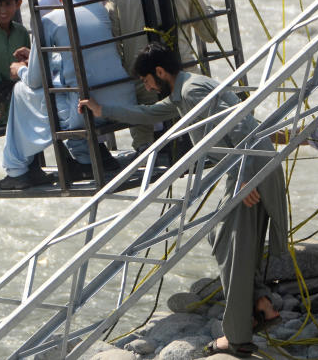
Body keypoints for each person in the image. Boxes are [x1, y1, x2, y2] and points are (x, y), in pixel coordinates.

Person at [79, 43, 287, 357]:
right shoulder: (185, 92)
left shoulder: (191, 92)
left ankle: (239, 337)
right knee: (227, 242)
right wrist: (102, 110)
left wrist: (246, 179)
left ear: (160, 72)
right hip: (248, 168)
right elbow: (147, 114)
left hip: (249, 169)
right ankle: (261, 305)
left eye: (147, 80)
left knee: (234, 251)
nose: (146, 87)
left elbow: (241, 125)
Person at [0, 0, 138, 189]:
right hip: (122, 100)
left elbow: (35, 79)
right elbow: (86, 56)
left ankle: (17, 169)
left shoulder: (50, 20)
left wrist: (20, 69)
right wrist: (45, 57)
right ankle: (86, 158)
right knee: (70, 87)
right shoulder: (101, 11)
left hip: (85, 110)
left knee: (21, 90)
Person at [106, 0, 218, 152]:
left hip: (142, 81)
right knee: (196, 104)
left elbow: (114, 40)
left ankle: (143, 149)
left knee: (140, 107)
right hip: (183, 73)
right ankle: (198, 145)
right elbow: (210, 34)